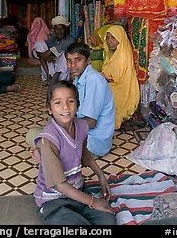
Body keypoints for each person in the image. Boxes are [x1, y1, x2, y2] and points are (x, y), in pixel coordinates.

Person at [33, 80, 116, 226]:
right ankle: (51, 213)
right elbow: (59, 185)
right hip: (54, 200)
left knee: (108, 219)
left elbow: (85, 155)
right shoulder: (48, 140)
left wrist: (101, 176)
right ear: (50, 109)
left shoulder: (82, 126)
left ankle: (79, 209)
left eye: (70, 101)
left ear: (77, 105)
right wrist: (93, 201)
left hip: (77, 192)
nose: (65, 107)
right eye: (58, 102)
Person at [65, 42, 115, 157]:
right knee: (45, 135)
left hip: (93, 142)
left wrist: (62, 125)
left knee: (39, 137)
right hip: (85, 134)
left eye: (78, 60)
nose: (72, 65)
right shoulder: (79, 78)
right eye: (69, 60)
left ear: (88, 60)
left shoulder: (94, 80)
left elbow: (91, 123)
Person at [101, 25, 140, 130]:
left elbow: (115, 78)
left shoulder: (122, 55)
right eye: (108, 38)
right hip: (114, 86)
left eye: (113, 38)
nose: (109, 41)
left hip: (122, 90)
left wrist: (100, 77)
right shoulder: (114, 55)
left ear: (120, 38)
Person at [33, 15, 75, 82]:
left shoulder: (70, 40)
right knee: (39, 44)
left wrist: (50, 53)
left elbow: (61, 47)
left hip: (62, 74)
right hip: (51, 70)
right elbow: (38, 51)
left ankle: (55, 78)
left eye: (61, 29)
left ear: (65, 29)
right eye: (57, 29)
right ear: (54, 30)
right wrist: (45, 56)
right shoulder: (52, 39)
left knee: (65, 53)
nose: (59, 31)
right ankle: (48, 75)